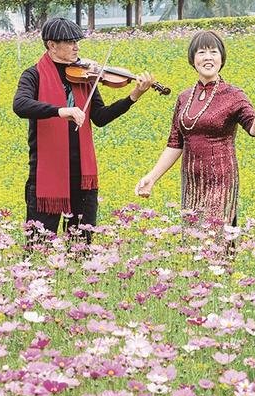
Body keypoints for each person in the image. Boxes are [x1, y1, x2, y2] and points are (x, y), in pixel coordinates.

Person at [13, 17, 154, 243]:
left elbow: (99, 117)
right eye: (70, 42)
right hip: (46, 174)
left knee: (82, 246)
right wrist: (61, 111)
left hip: (82, 176)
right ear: (51, 45)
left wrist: (133, 96)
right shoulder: (34, 75)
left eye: (77, 41)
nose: (76, 46)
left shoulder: (84, 76)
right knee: (39, 245)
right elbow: (20, 105)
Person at [135, 30, 255, 229]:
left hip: (221, 180)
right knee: (193, 241)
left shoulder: (233, 94)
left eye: (214, 52)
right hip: (191, 183)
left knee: (216, 240)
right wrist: (151, 177)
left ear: (222, 59)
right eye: (202, 52)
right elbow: (175, 144)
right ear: (193, 60)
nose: (208, 57)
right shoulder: (184, 97)